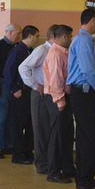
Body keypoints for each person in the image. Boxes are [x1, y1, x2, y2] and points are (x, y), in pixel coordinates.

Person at [67, 8, 95, 189]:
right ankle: (82, 181)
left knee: (91, 136)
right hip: (84, 92)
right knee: (87, 137)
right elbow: (88, 70)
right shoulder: (82, 40)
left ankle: (88, 176)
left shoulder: (84, 39)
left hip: (85, 92)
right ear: (92, 20)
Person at [19, 24, 57, 174]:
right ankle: (42, 164)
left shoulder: (55, 51)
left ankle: (50, 162)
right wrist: (36, 85)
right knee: (41, 130)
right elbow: (23, 68)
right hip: (40, 94)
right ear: (53, 37)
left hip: (50, 94)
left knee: (49, 130)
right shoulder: (42, 50)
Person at [43, 24, 76, 184]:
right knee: (57, 136)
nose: (71, 39)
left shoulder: (64, 53)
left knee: (66, 135)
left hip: (63, 98)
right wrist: (60, 100)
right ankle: (53, 172)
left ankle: (67, 167)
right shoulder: (56, 54)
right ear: (64, 37)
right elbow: (56, 80)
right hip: (57, 99)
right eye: (70, 36)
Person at [4, 25, 39, 165]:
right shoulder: (17, 51)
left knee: (29, 123)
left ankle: (27, 151)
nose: (37, 39)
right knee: (18, 124)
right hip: (19, 91)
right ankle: (18, 154)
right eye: (36, 36)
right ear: (29, 36)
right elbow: (8, 71)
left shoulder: (29, 51)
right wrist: (13, 89)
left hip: (29, 91)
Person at [0, 23, 21, 159]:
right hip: (0, 84)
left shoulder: (15, 47)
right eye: (18, 33)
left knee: (9, 117)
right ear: (11, 32)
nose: (19, 36)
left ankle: (8, 145)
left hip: (11, 84)